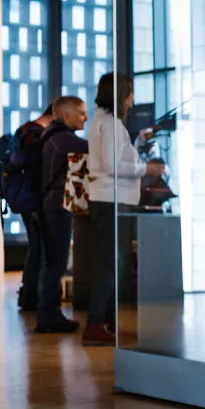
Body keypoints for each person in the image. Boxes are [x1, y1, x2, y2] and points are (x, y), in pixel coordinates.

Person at [83, 73, 157, 346]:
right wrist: (145, 168)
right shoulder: (111, 125)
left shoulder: (103, 123)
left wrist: (136, 145)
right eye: (130, 92)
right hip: (112, 200)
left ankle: (102, 323)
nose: (133, 98)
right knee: (109, 264)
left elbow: (114, 158)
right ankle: (96, 324)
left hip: (107, 200)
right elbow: (114, 166)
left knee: (109, 262)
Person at [33, 95, 87, 334]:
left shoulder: (51, 136)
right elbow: (97, 151)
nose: (85, 117)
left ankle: (49, 313)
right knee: (55, 261)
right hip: (55, 206)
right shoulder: (63, 139)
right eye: (81, 113)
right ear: (66, 116)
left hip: (49, 205)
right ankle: (48, 316)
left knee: (52, 260)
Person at [3, 104, 54, 313]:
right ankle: (32, 294)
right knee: (39, 247)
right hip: (34, 198)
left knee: (36, 246)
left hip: (25, 197)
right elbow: (37, 168)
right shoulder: (35, 135)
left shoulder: (24, 130)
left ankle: (29, 293)